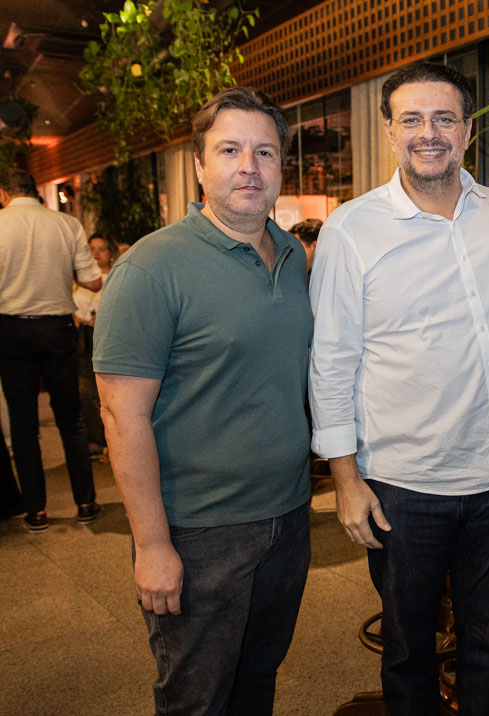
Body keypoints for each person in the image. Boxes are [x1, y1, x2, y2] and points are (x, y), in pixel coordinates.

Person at [309, 61, 489, 714]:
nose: (429, 132)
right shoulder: (351, 229)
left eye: (445, 118)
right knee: (409, 651)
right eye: (411, 119)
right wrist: (344, 479)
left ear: (467, 130)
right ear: (389, 131)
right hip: (402, 484)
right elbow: (330, 361)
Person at [93, 87, 313, 714]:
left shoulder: (292, 254)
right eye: (229, 150)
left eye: (265, 152)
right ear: (198, 165)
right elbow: (121, 416)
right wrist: (152, 544)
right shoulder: (150, 269)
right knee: (197, 699)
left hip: (289, 516)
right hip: (198, 532)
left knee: (256, 683)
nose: (249, 167)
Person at [0, 168, 102, 532]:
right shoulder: (66, 224)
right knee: (70, 418)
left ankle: (37, 511)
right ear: (36, 192)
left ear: (4, 194)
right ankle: (86, 503)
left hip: (10, 330)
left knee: (23, 423)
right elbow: (91, 280)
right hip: (57, 328)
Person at [73, 233, 118, 457]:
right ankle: (95, 440)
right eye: (91, 249)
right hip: (82, 338)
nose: (96, 254)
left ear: (110, 253)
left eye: (101, 249)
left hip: (107, 338)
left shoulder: (116, 276)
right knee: (84, 390)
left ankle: (112, 441)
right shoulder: (79, 281)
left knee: (108, 391)